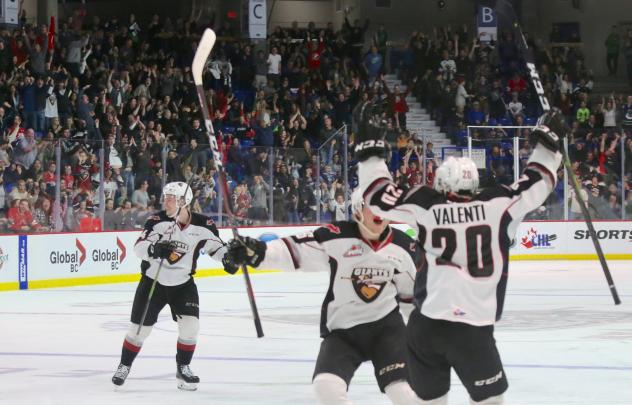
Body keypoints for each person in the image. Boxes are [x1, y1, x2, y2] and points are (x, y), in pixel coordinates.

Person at [353, 112, 565, 404]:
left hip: (424, 327)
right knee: (490, 400)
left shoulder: (424, 204)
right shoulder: (498, 205)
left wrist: (371, 151)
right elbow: (539, 180)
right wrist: (549, 142)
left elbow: (377, 195)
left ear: (440, 184)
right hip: (472, 330)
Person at [222, 191, 423, 405]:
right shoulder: (336, 236)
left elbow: (411, 295)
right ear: (357, 209)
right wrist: (257, 252)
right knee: (326, 388)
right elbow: (293, 251)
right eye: (372, 207)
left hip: (387, 331)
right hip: (344, 332)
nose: (379, 213)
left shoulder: (404, 247)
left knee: (402, 392)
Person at [111, 181, 228, 390]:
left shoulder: (204, 224)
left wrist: (229, 258)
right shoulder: (157, 220)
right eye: (166, 197)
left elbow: (217, 249)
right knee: (139, 331)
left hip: (183, 284)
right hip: (153, 282)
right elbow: (139, 247)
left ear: (185, 201)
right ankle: (124, 365)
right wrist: (155, 250)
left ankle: (183, 368)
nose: (166, 201)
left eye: (171, 197)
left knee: (191, 328)